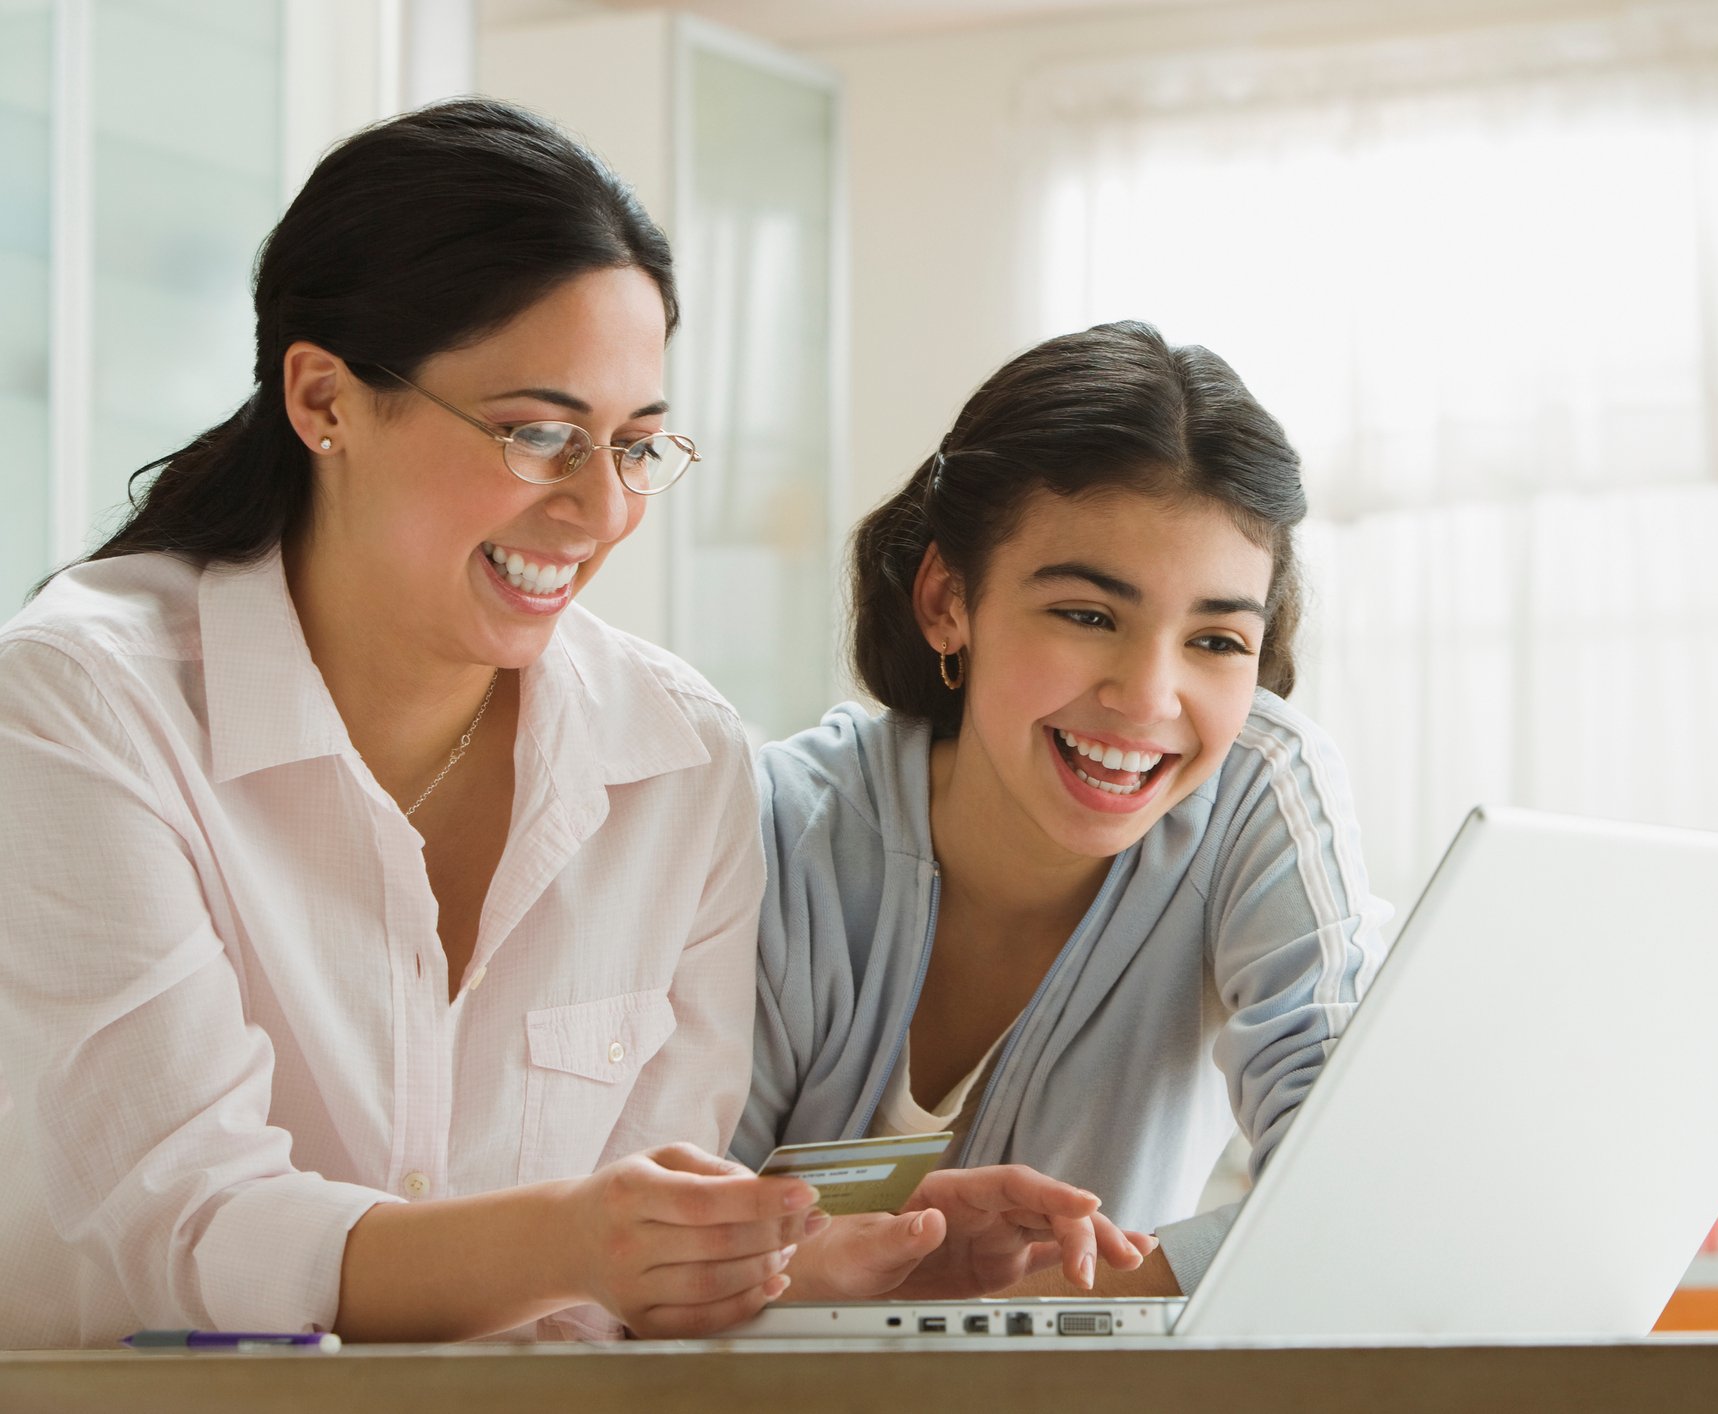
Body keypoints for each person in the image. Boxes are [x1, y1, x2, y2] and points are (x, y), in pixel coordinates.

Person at [0, 98, 1113, 1349]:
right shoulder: (88, 702)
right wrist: (579, 1240)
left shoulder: (679, 758)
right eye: (539, 435)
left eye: (634, 446)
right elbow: (187, 1228)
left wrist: (808, 1253)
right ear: (323, 399)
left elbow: (608, 1292)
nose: (600, 508)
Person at [738, 321, 1394, 1298]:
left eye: (1216, 640)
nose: (1147, 697)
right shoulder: (775, 830)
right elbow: (647, 1271)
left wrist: (1030, 1319)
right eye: (1088, 616)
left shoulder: (1255, 793)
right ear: (947, 601)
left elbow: (1356, 1176)